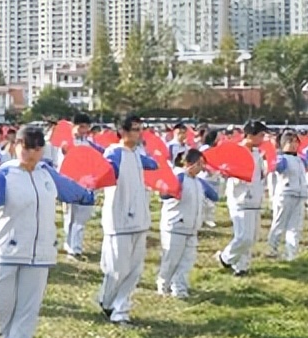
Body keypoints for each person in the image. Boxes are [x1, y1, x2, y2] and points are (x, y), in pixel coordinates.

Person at [0, 125, 95, 338]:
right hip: (5, 251)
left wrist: (91, 190)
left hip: (40, 252)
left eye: (36, 148)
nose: (30, 153)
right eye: (25, 146)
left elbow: (74, 192)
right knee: (1, 305)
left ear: (42, 150)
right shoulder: (2, 175)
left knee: (28, 308)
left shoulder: (47, 174)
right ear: (16, 146)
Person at [97, 114, 158, 325]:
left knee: (134, 270)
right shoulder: (114, 153)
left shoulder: (136, 154)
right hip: (119, 219)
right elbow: (107, 171)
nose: (139, 133)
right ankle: (107, 301)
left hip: (139, 219)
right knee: (118, 269)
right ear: (122, 132)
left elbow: (153, 164)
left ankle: (120, 310)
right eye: (135, 129)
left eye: (141, 129)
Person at [156, 149, 220, 298]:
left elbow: (214, 196)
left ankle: (180, 289)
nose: (201, 168)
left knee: (186, 261)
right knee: (171, 259)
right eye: (199, 164)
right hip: (175, 226)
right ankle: (163, 285)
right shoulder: (178, 176)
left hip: (191, 228)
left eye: (202, 164)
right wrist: (175, 185)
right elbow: (164, 194)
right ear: (189, 163)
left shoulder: (198, 182)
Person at [213, 120, 268, 276]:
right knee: (244, 237)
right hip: (240, 198)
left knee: (252, 237)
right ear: (250, 135)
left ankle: (242, 267)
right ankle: (225, 258)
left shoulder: (257, 153)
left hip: (255, 197)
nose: (262, 139)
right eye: (260, 135)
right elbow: (224, 171)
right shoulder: (236, 151)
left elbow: (259, 175)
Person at [59, 113, 102, 261]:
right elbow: (63, 165)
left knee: (81, 217)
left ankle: (75, 247)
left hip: (86, 184)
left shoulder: (88, 143)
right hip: (70, 183)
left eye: (86, 127)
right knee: (70, 216)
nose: (84, 130)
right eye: (81, 127)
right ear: (74, 126)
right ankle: (70, 246)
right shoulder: (66, 143)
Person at [267, 131, 308, 261]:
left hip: (300, 195)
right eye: (290, 142)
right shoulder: (282, 158)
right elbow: (276, 167)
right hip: (286, 194)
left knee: (295, 227)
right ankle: (272, 248)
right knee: (279, 223)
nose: (294, 144)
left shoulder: (300, 159)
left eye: (296, 141)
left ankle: (291, 253)